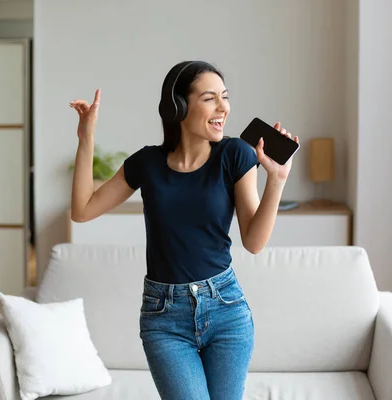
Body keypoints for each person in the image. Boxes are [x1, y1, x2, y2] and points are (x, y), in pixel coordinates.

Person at [69, 60, 299, 400]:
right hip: (164, 319)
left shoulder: (234, 155)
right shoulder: (146, 163)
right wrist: (86, 137)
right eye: (210, 98)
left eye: (225, 96)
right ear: (178, 106)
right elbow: (82, 210)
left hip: (225, 310)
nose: (224, 107)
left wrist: (276, 180)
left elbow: (253, 242)